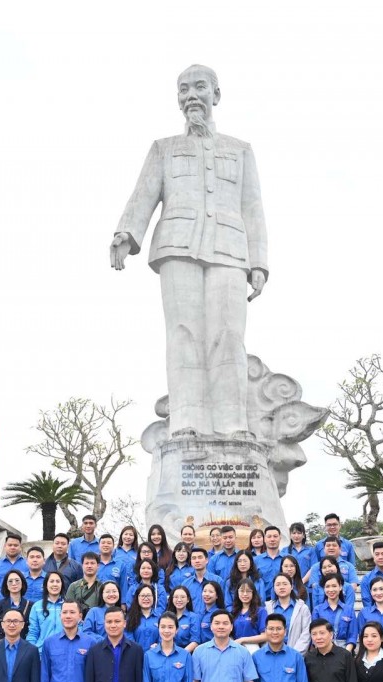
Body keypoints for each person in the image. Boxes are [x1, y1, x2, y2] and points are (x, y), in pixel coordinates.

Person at [110, 64, 268, 439]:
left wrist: (259, 262)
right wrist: (126, 233)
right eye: (183, 89)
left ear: (216, 94)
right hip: (176, 245)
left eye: (199, 87)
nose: (191, 96)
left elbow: (253, 209)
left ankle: (232, 423)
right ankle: (186, 420)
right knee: (183, 332)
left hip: (231, 249)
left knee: (229, 334)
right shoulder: (164, 149)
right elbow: (144, 194)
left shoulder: (240, 150)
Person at [266, 571, 310, 653]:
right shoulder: (268, 608)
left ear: (292, 586)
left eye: (285, 584)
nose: (281, 587)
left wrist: (294, 655)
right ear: (274, 588)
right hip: (272, 653)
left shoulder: (303, 608)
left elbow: (306, 634)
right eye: (278, 584)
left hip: (296, 654)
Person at [312, 575, 358, 653]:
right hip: (323, 651)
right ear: (324, 588)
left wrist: (346, 653)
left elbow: (352, 635)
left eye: (334, 586)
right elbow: (314, 634)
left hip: (344, 650)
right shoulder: (317, 610)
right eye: (327, 586)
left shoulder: (349, 610)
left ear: (340, 587)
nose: (331, 589)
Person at [0, 569, 30, 642]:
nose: (14, 584)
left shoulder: (30, 605)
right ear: (6, 585)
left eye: (17, 580)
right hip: (2, 646)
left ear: (22, 583)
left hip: (23, 646)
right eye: (10, 581)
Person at [27, 572, 66, 648]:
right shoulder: (37, 607)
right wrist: (31, 651)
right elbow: (33, 632)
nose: (55, 584)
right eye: (51, 581)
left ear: (62, 584)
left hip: (65, 651)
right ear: (46, 585)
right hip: (42, 652)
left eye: (58, 581)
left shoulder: (69, 606)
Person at [178, 546, 220, 612]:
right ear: (191, 562)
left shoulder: (217, 580)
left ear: (206, 560)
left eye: (200, 557)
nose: (197, 561)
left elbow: (222, 603)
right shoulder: (186, 583)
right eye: (194, 558)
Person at [164, 586, 200, 651]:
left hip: (186, 653)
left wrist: (182, 655)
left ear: (188, 599)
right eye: (176, 597)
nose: (179, 600)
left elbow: (195, 641)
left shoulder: (193, 617)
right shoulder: (167, 617)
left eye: (182, 597)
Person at [127, 584, 161, 650]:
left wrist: (158, 646)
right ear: (137, 598)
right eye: (142, 596)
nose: (146, 598)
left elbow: (163, 637)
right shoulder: (130, 617)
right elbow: (128, 638)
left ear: (153, 598)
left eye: (148, 595)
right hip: (135, 655)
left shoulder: (160, 618)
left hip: (155, 656)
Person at [196, 579, 225, 644]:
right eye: (204, 591)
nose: (206, 594)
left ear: (217, 595)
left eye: (211, 592)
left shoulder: (219, 614)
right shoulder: (199, 613)